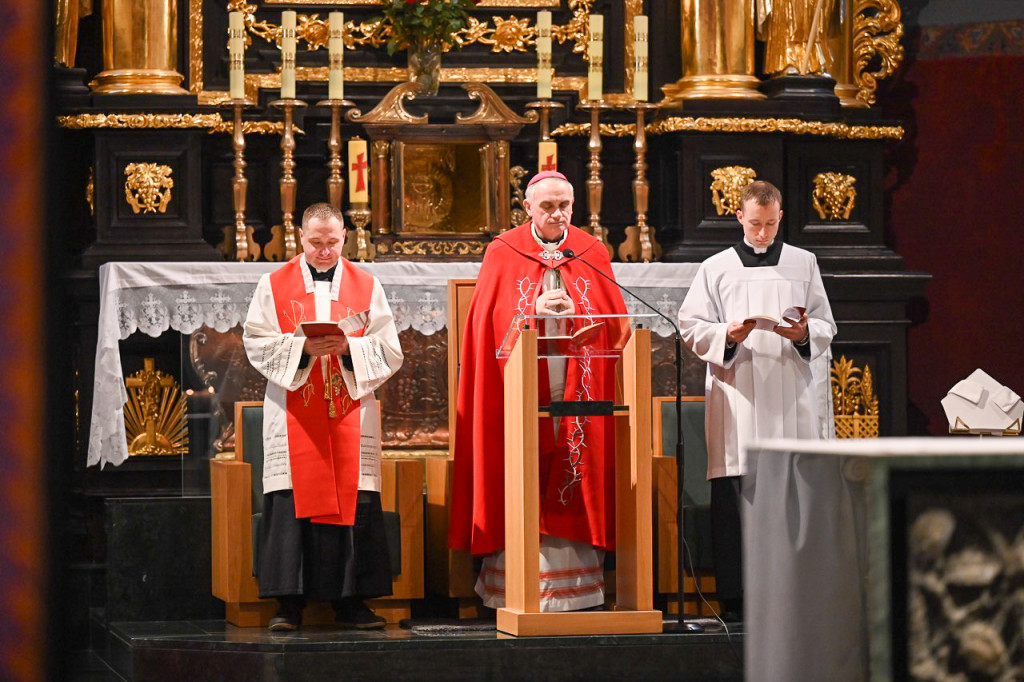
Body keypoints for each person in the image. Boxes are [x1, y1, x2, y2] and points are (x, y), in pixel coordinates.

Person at [449, 170, 629, 612]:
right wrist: (531, 308)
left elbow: (615, 320)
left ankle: (577, 589)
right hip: (519, 385)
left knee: (572, 464)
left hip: (577, 382)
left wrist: (578, 310)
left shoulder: (590, 250)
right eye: (547, 206)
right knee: (523, 467)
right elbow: (487, 322)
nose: (557, 214)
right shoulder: (503, 250)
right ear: (527, 207)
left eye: (564, 205)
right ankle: (516, 585)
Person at [677, 180, 836, 622]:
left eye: (769, 224)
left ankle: (795, 597)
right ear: (739, 219)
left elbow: (825, 324)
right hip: (739, 394)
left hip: (790, 394)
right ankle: (737, 600)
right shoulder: (716, 267)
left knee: (793, 496)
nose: (762, 233)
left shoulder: (803, 263)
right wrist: (726, 334)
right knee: (736, 496)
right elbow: (690, 325)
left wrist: (803, 333)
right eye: (754, 224)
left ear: (780, 217)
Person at [243, 203, 404, 631]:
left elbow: (389, 349)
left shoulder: (366, 285)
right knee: (291, 496)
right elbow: (255, 341)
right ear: (300, 237)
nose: (325, 250)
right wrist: (302, 349)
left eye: (333, 242)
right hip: (293, 410)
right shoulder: (272, 284)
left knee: (355, 497)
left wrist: (350, 347)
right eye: (316, 242)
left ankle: (351, 604)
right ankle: (288, 604)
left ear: (345, 236)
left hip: (349, 407)